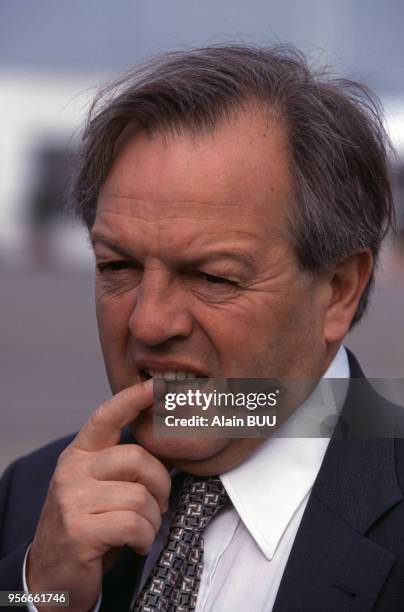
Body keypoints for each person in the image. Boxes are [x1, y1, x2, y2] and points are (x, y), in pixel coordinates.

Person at [0, 44, 403, 611]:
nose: (149, 320)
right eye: (118, 266)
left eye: (212, 277)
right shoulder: (33, 498)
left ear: (338, 290)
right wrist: (39, 596)